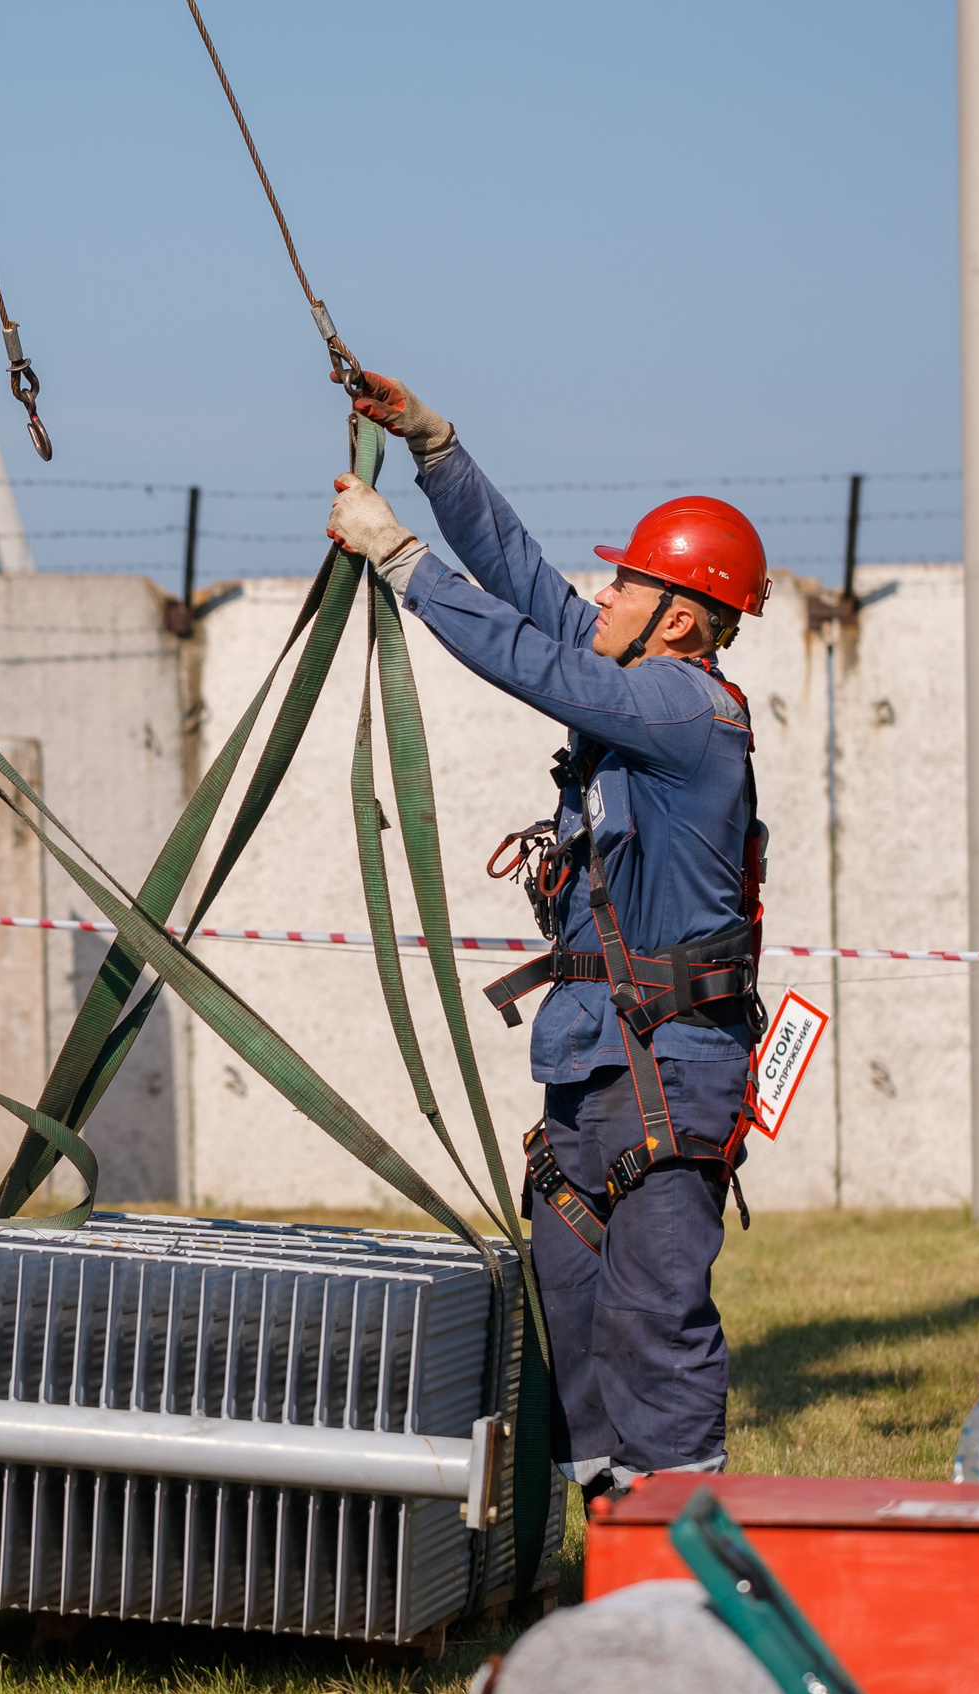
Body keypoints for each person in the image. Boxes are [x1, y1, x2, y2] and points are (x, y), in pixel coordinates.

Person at [322, 378, 769, 1496]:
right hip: (588, 1063)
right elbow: (525, 591)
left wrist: (402, 564)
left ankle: (675, 1583)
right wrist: (435, 449)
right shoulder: (628, 685)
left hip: (666, 1068)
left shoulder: (679, 710)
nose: (598, 594)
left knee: (649, 1321)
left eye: (623, 582)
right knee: (573, 1325)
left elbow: (532, 656)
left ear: (676, 616)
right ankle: (606, 1558)